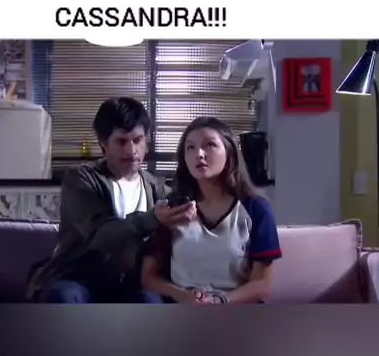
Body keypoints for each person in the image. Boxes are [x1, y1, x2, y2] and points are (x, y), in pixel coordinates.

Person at [26, 97, 196, 303]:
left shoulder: (156, 188)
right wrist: (152, 219)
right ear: (103, 143)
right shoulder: (81, 179)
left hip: (129, 286)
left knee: (150, 301)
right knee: (63, 296)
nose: (132, 150)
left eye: (138, 140)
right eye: (121, 142)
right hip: (79, 279)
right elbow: (99, 233)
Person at [141, 116, 282, 304]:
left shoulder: (256, 209)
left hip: (236, 309)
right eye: (190, 148)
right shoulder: (172, 208)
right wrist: (181, 295)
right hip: (183, 308)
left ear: (229, 152)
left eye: (210, 145)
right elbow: (148, 277)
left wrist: (220, 301)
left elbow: (262, 285)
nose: (199, 154)